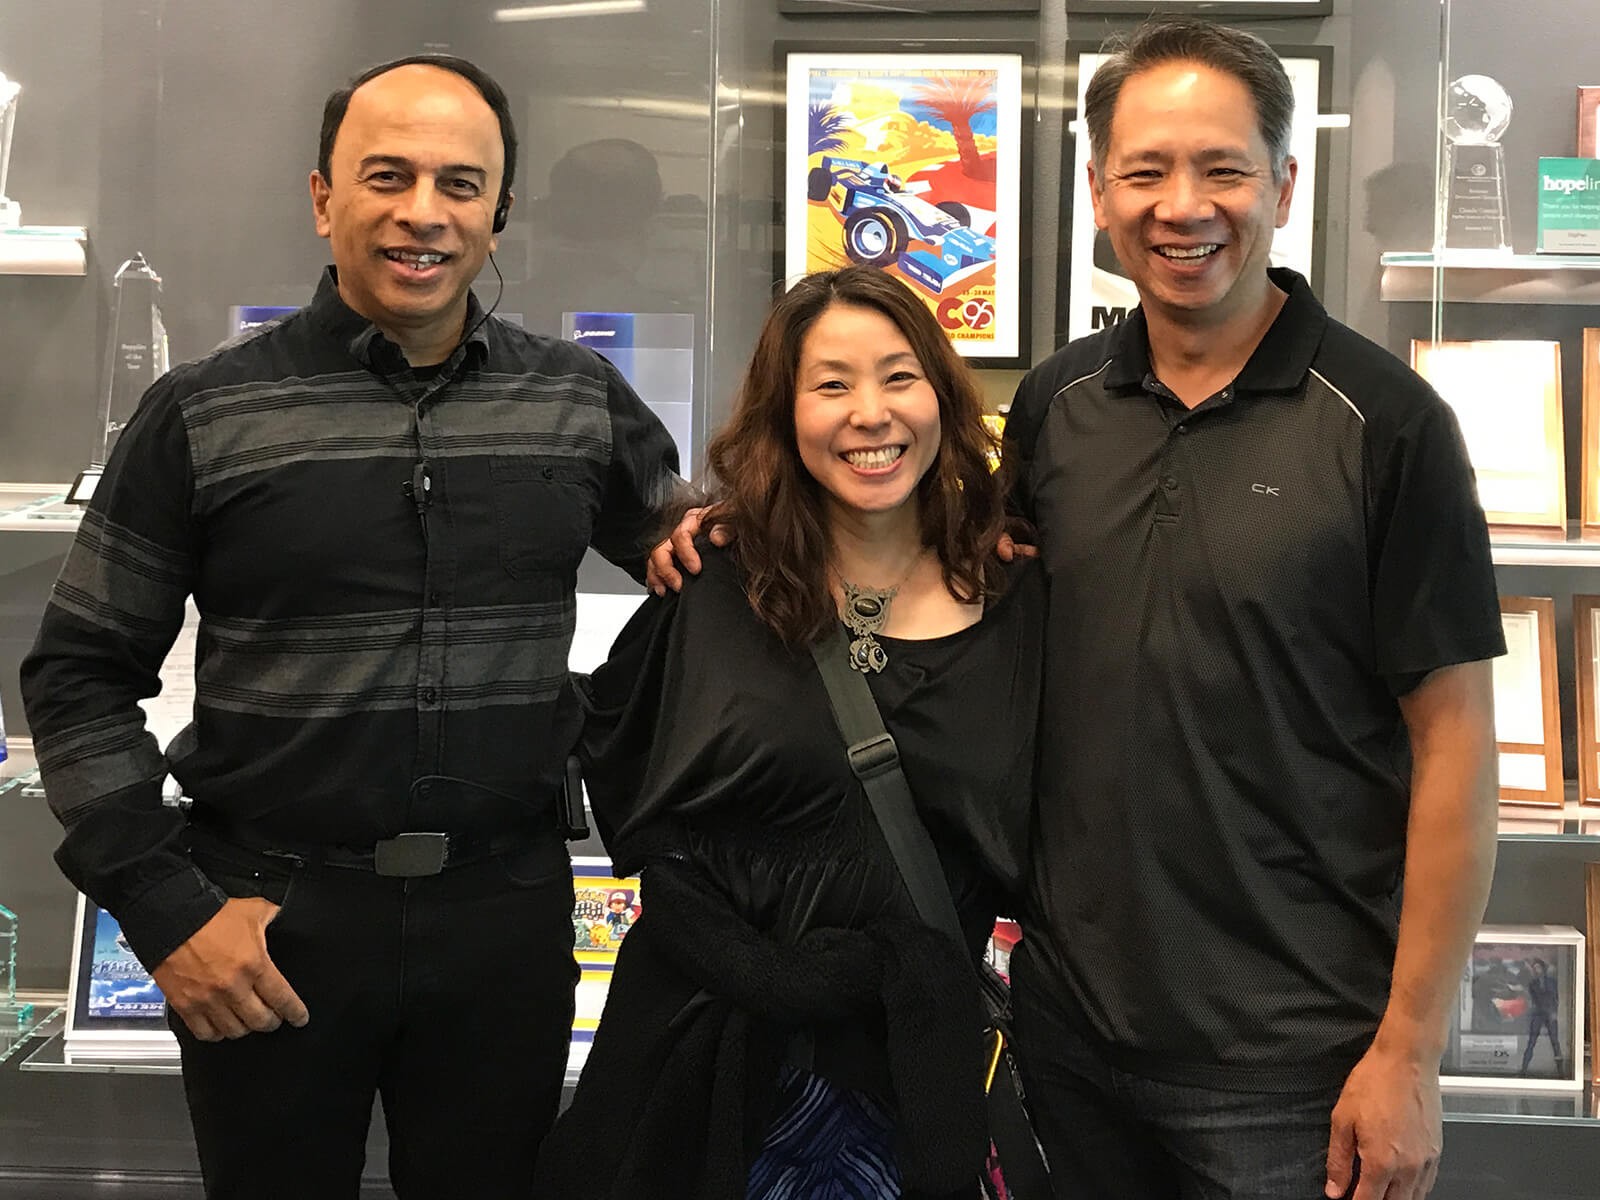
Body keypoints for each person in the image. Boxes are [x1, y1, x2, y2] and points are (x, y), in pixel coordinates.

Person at [650, 18, 1502, 1200]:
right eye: (1144, 172)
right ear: (1099, 192)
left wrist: (1409, 1050)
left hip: (1293, 1058)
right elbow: (927, 537)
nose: (1181, 205)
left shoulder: (1386, 423)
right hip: (1065, 1039)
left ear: (1284, 182)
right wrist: (741, 525)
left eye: (1222, 169)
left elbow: (1455, 744)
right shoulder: (1060, 403)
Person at [21, 54, 678, 1200]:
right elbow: (78, 677)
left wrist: (959, 539)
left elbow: (704, 566)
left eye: (460, 184)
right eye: (388, 175)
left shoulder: (575, 401)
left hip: (506, 921)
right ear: (323, 196)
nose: (424, 212)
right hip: (266, 922)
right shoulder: (205, 412)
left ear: (499, 213)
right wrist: (167, 912)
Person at [537, 265, 1044, 1200]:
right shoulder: (713, 583)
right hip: (706, 1062)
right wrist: (754, 963)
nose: (871, 413)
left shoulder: (1019, 605)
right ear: (785, 412)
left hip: (916, 1075)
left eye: (900, 376)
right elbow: (623, 784)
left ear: (942, 395)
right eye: (832, 384)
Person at [1520, 958, 1562, 1076]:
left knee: (1555, 1042)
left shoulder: (1552, 982)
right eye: (1534, 968)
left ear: (1543, 968)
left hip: (1549, 1013)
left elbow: (1555, 998)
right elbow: (1533, 999)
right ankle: (1524, 1068)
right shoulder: (1533, 984)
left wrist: (1554, 1012)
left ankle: (1561, 1071)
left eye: (1538, 967)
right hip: (1538, 1013)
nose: (1536, 970)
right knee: (1531, 1041)